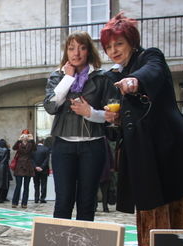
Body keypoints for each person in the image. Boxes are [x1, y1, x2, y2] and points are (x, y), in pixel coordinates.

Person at [100, 13, 183, 246]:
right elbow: (130, 113)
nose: (113, 50)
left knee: (175, 204)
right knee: (149, 207)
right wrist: (115, 118)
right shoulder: (117, 73)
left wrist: (135, 80)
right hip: (142, 150)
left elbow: (152, 71)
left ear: (131, 41)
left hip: (168, 145)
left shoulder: (149, 56)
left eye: (118, 43)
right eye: (108, 46)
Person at [43, 31, 117, 221]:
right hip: (63, 145)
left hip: (93, 146)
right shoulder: (57, 76)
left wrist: (90, 112)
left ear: (89, 51)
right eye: (71, 48)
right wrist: (68, 79)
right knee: (63, 201)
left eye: (82, 48)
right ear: (66, 52)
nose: (76, 53)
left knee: (87, 201)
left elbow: (112, 116)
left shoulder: (103, 78)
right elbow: (51, 106)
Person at [11, 131, 36, 208]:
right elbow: (13, 148)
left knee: (26, 186)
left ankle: (24, 203)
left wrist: (32, 140)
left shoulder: (31, 144)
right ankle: (14, 202)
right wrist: (19, 140)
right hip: (19, 166)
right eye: (24, 135)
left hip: (28, 166)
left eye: (27, 135)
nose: (25, 136)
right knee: (18, 185)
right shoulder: (19, 143)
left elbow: (35, 149)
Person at [33, 138, 51, 203]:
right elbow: (47, 159)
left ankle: (36, 198)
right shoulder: (46, 149)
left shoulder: (33, 149)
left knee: (36, 184)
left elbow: (31, 159)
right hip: (44, 170)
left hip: (35, 170)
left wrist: (35, 167)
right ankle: (42, 198)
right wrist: (42, 167)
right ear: (43, 142)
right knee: (43, 184)